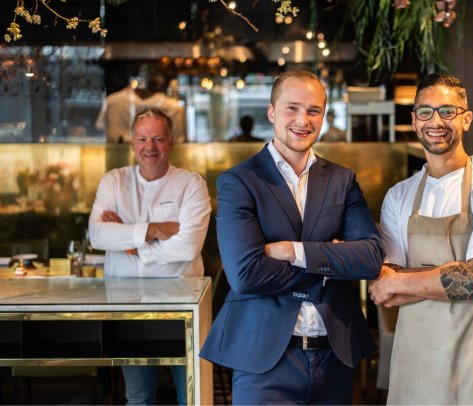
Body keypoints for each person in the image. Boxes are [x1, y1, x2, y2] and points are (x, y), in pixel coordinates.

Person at [200, 69, 383, 404]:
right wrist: (330, 264)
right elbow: (245, 274)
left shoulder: (342, 180)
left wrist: (292, 251)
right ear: (271, 112)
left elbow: (370, 258)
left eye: (314, 110)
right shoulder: (239, 182)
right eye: (292, 108)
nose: (303, 120)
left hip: (335, 357)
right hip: (265, 362)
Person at [368, 72, 473, 404]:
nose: (435, 120)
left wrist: (403, 280)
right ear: (413, 120)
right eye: (425, 111)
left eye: (447, 111)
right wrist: (455, 272)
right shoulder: (398, 196)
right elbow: (384, 288)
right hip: (415, 359)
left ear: (466, 119)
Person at [88, 107, 211, 405]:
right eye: (142, 139)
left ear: (170, 142)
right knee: (139, 397)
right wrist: (154, 230)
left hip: (182, 306)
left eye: (158, 139)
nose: (150, 147)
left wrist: (130, 244)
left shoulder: (191, 184)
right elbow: (98, 236)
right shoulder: (114, 181)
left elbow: (187, 247)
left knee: (191, 397)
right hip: (127, 304)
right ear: (132, 142)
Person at [140, 74, 187, 143]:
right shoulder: (176, 106)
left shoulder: (143, 105)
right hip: (175, 146)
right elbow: (180, 135)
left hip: (150, 148)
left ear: (148, 90)